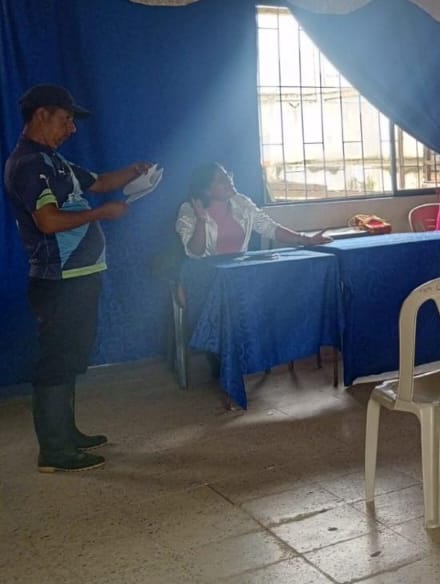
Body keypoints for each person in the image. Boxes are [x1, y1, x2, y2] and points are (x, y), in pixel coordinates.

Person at [3, 85, 154, 472]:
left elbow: (98, 182)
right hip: (60, 278)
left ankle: (66, 434)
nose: (71, 128)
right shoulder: (29, 164)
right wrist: (102, 214)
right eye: (66, 119)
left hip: (80, 275)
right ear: (41, 115)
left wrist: (133, 172)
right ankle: (54, 451)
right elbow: (47, 221)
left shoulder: (55, 161)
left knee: (69, 357)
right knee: (56, 360)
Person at [175, 162, 331, 257]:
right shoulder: (189, 210)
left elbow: (270, 228)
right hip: (205, 280)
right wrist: (201, 221)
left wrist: (306, 240)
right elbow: (194, 252)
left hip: (239, 276)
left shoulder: (241, 202)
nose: (229, 180)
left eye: (228, 176)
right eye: (222, 179)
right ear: (206, 190)